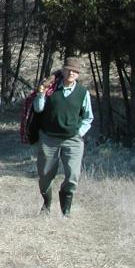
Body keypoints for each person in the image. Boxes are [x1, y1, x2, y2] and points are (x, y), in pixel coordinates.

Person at [32, 56, 93, 216]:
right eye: (69, 70)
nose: (72, 73)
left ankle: (66, 211)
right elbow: (38, 109)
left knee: (73, 175)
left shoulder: (82, 93)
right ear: (63, 70)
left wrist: (79, 133)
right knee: (45, 175)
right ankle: (47, 204)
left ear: (78, 74)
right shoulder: (50, 89)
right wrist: (40, 94)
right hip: (48, 138)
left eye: (75, 71)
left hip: (73, 140)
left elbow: (88, 117)